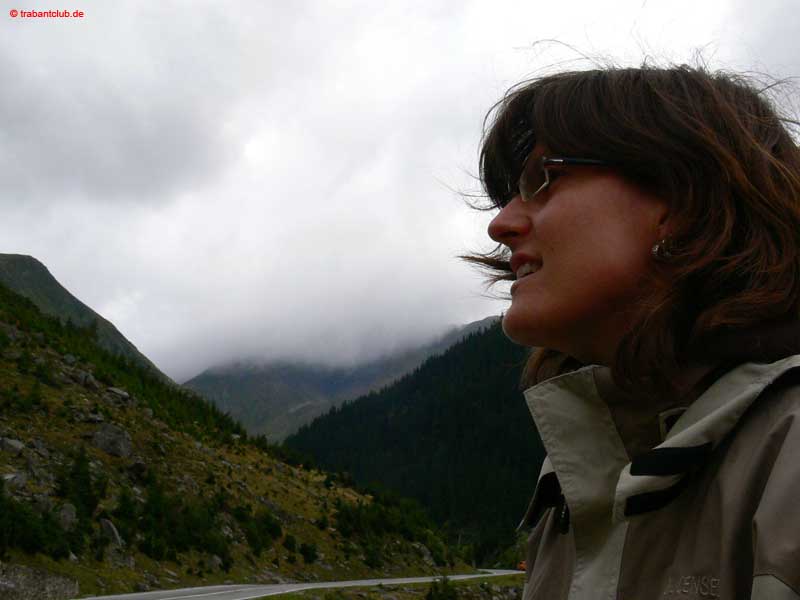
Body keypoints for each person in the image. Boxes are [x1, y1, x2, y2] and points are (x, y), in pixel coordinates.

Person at [468, 65, 800, 599]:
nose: (500, 224)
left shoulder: (790, 451)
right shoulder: (573, 485)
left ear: (681, 201)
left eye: (541, 180)